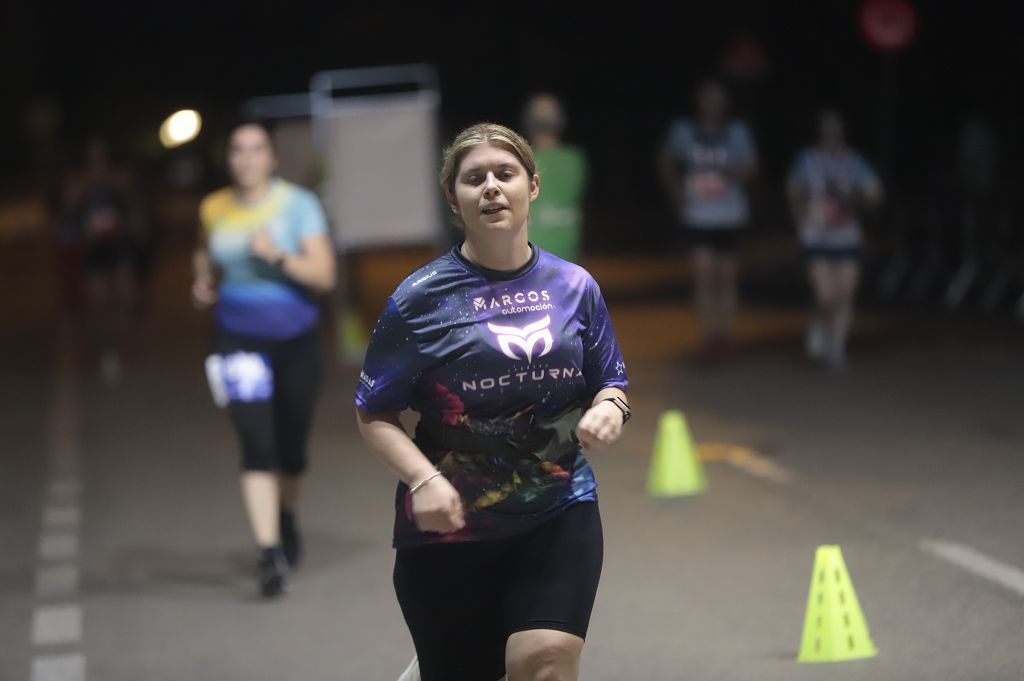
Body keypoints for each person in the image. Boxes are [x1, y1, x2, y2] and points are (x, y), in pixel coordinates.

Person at [355, 122, 629, 681]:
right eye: (473, 179)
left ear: (532, 186)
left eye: (505, 174)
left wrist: (609, 408)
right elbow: (374, 412)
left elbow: (612, 382)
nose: (491, 188)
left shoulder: (575, 286)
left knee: (545, 662)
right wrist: (423, 479)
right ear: (454, 200)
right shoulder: (418, 300)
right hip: (453, 522)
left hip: (557, 503)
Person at [192, 119, 336, 597]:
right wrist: (204, 280)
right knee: (256, 444)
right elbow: (205, 255)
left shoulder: (298, 205)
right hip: (238, 341)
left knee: (291, 448)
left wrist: (277, 256)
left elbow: (323, 276)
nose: (247, 158)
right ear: (228, 158)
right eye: (237, 149)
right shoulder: (214, 207)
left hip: (296, 341)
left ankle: (287, 516)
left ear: (271, 158)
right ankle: (269, 553)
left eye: (257, 149)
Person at [659, 79, 757, 361]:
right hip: (698, 215)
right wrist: (678, 196)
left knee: (726, 279)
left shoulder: (737, 131)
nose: (712, 102)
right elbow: (666, 161)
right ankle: (708, 337)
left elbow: (751, 166)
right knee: (703, 276)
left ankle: (725, 337)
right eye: (707, 96)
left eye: (718, 96)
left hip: (730, 215)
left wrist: (728, 179)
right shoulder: (684, 130)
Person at [787, 110, 882, 371]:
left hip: (846, 236)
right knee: (825, 293)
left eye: (836, 126)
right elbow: (794, 190)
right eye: (827, 126)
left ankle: (836, 345)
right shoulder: (807, 160)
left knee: (846, 291)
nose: (832, 131)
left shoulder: (855, 161)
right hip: (816, 235)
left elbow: (874, 194)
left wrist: (857, 197)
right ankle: (818, 322)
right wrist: (800, 220)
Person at [521, 93, 588, 262]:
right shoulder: (576, 159)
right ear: (560, 122)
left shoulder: (521, 161)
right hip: (567, 251)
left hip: (529, 255)